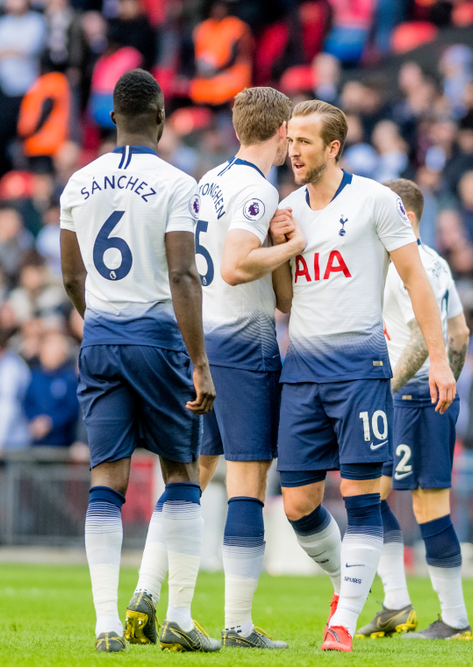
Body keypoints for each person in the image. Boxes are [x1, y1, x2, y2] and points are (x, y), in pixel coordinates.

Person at [124, 87, 302, 650]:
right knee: (248, 479)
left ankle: (146, 593)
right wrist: (293, 249)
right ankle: (239, 623)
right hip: (243, 350)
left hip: (197, 344)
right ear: (280, 132)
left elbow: (277, 296)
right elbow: (234, 267)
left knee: (190, 477)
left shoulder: (209, 182)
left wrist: (276, 254)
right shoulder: (256, 187)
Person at [276, 100, 456, 653]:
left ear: (333, 148)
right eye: (290, 142)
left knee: (362, 498)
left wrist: (440, 356)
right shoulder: (285, 208)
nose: (293, 151)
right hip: (302, 371)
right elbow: (285, 302)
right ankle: (344, 587)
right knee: (297, 504)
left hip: (361, 371)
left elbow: (416, 281)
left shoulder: (377, 200)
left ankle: (345, 622)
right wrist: (283, 250)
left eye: (304, 142)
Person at [58, 69, 218, 653]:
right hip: (157, 339)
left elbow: (72, 274)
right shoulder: (178, 183)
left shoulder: (77, 183)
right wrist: (199, 361)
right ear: (161, 116)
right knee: (179, 472)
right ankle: (177, 615)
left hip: (99, 336)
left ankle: (105, 625)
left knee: (107, 477)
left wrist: (97, 318)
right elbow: (182, 273)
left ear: (112, 119)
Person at [356, 178, 472, 641]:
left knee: (424, 506)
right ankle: (396, 604)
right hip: (428, 398)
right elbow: (459, 334)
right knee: (369, 493)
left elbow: (429, 340)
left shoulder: (404, 265)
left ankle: (454, 618)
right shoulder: (436, 262)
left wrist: (390, 388)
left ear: (400, 213)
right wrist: (450, 387)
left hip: (410, 399)